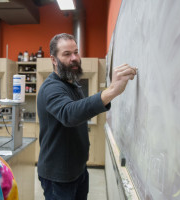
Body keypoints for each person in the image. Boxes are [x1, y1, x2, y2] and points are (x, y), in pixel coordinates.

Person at [37, 33, 137, 199]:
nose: (74, 58)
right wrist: (111, 91)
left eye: (76, 52)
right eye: (67, 54)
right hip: (58, 177)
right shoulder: (51, 88)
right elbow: (69, 114)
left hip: (78, 170)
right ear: (54, 59)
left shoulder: (73, 84)